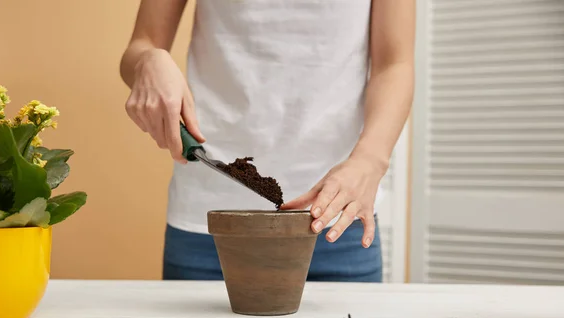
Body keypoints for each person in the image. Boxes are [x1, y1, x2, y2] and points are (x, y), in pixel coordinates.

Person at [120, 0, 415, 282]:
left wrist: (370, 160)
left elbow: (395, 64)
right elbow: (141, 44)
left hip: (338, 221)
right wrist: (147, 60)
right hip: (208, 224)